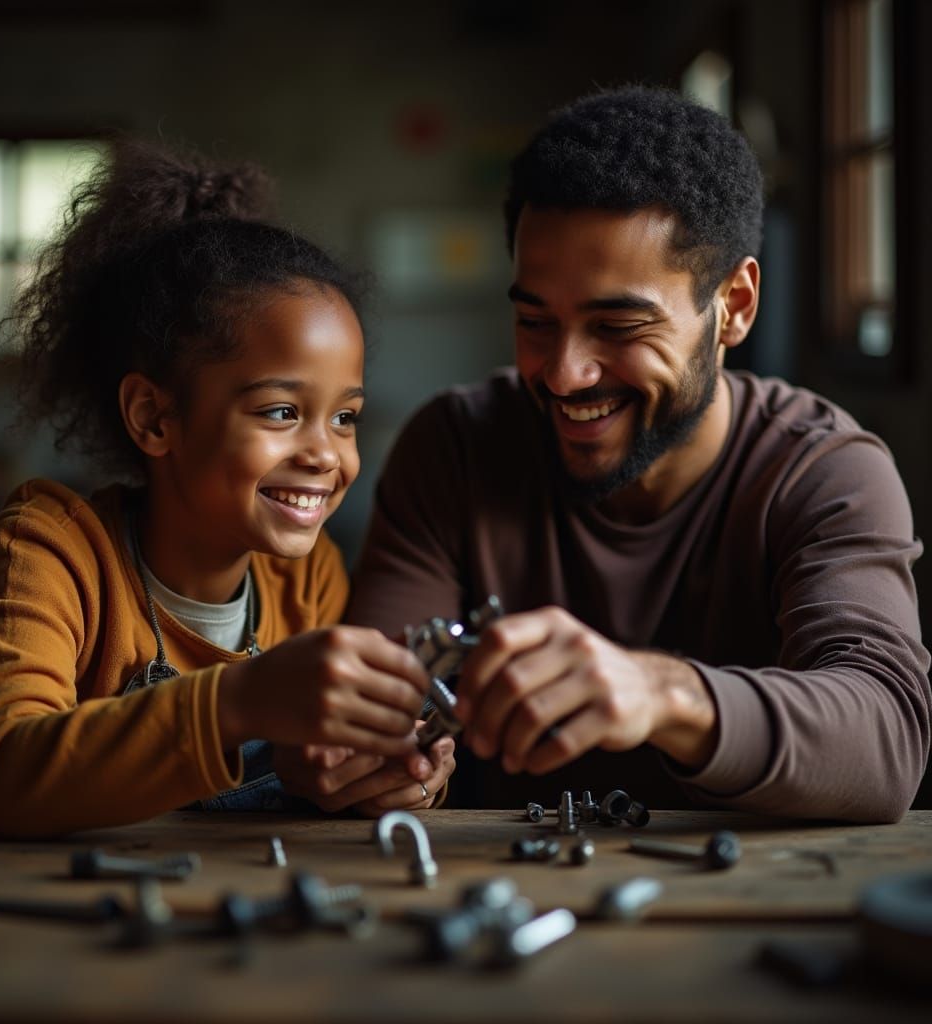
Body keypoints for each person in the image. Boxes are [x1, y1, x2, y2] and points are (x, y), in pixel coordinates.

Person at [341, 86, 931, 823]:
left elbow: (885, 746)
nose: (563, 373)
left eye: (618, 325)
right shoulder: (453, 447)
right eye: (534, 321)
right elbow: (371, 710)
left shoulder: (824, 471)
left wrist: (664, 694)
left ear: (735, 306)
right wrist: (375, 764)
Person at [0, 139, 454, 839]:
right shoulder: (53, 546)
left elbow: (327, 767)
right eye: (282, 412)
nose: (326, 454)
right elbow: (6, 776)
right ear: (155, 418)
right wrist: (239, 699)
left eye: (345, 418)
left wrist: (390, 777)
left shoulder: (307, 578)